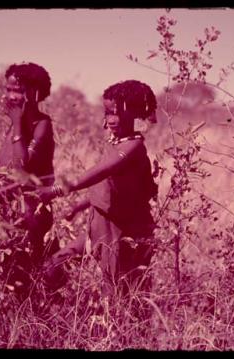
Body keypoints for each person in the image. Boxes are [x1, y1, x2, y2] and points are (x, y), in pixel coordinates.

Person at [38, 80, 158, 300]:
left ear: (133, 113)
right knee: (55, 264)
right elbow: (107, 186)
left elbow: (101, 172)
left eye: (116, 113)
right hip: (100, 224)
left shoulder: (132, 147)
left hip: (121, 229)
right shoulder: (115, 142)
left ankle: (121, 332)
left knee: (118, 290)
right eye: (107, 112)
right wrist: (78, 206)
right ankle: (62, 311)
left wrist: (56, 190)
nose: (111, 119)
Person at [0, 62, 66, 301]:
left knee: (36, 276)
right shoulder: (18, 125)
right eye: (9, 89)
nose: (11, 96)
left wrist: (16, 122)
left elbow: (21, 167)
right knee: (13, 279)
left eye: (19, 90)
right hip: (11, 213)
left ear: (35, 93)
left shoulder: (41, 125)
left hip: (31, 215)